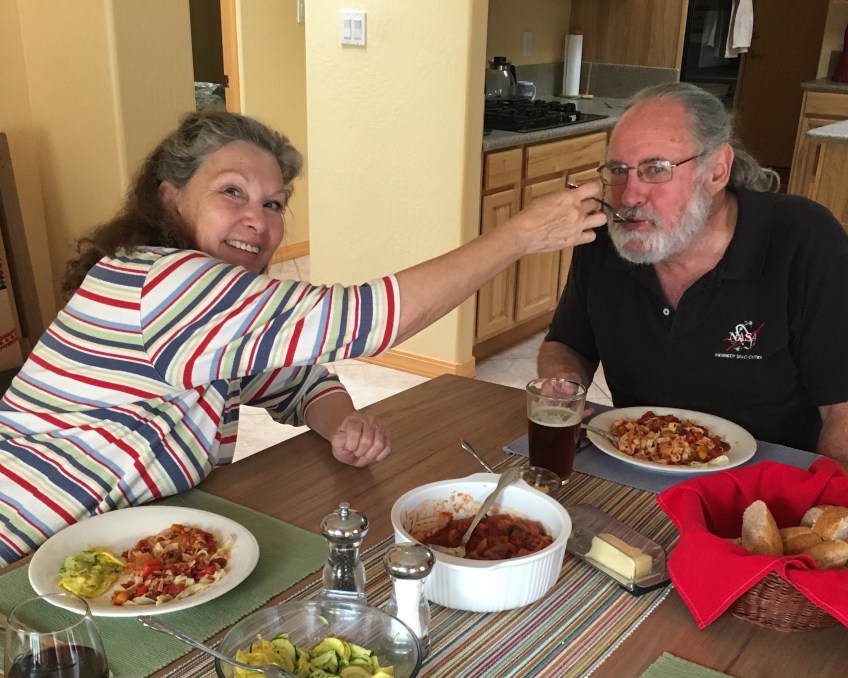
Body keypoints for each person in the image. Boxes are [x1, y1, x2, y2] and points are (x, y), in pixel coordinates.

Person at [0, 109, 605, 565]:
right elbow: (364, 319)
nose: (258, 220)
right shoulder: (161, 283)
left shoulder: (218, 312)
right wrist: (518, 235)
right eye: (231, 192)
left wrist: (341, 423)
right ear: (170, 198)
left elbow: (299, 380)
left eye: (274, 203)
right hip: (19, 551)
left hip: (101, 551)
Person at [538, 82, 848, 464]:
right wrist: (563, 384)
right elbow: (567, 343)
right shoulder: (605, 238)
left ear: (716, 171)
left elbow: (842, 408)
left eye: (656, 169)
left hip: (771, 480)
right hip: (637, 471)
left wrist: (826, 493)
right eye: (618, 170)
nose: (629, 196)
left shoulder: (805, 240)